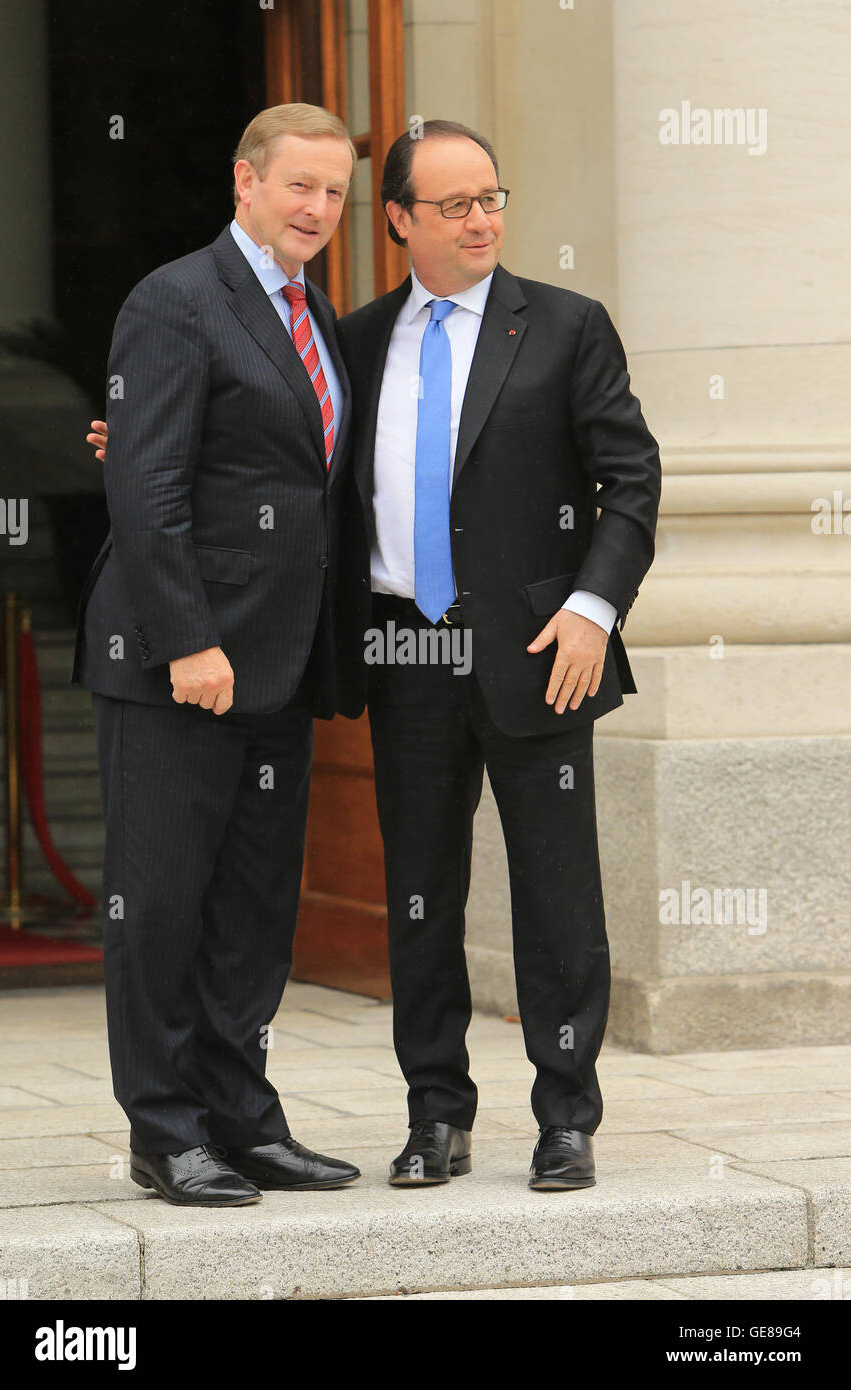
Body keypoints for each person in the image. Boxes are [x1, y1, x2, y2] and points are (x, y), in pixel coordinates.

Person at [334, 121, 661, 1190]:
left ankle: (565, 1115)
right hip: (404, 648)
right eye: (454, 205)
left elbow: (631, 480)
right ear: (397, 221)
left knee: (556, 892)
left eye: (491, 198)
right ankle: (435, 1115)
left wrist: (590, 608)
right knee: (420, 891)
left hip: (537, 647)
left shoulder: (563, 327)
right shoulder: (356, 340)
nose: (481, 220)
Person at [72, 104, 364, 1205]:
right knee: (157, 904)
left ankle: (242, 1117)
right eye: (298, 186)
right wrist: (188, 639)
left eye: (333, 192)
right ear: (244, 182)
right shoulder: (176, 299)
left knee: (251, 908)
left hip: (276, 667)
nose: (317, 210)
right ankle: (164, 1128)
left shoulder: (313, 313)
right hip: (175, 666)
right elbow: (143, 487)